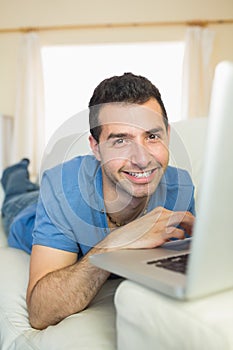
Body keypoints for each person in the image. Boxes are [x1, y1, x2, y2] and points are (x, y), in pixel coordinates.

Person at [1, 73, 195, 330]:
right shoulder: (61, 188)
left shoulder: (180, 187)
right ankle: (15, 171)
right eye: (121, 140)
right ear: (95, 147)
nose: (142, 159)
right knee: (17, 193)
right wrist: (115, 243)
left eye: (152, 136)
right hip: (27, 209)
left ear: (167, 135)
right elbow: (40, 312)